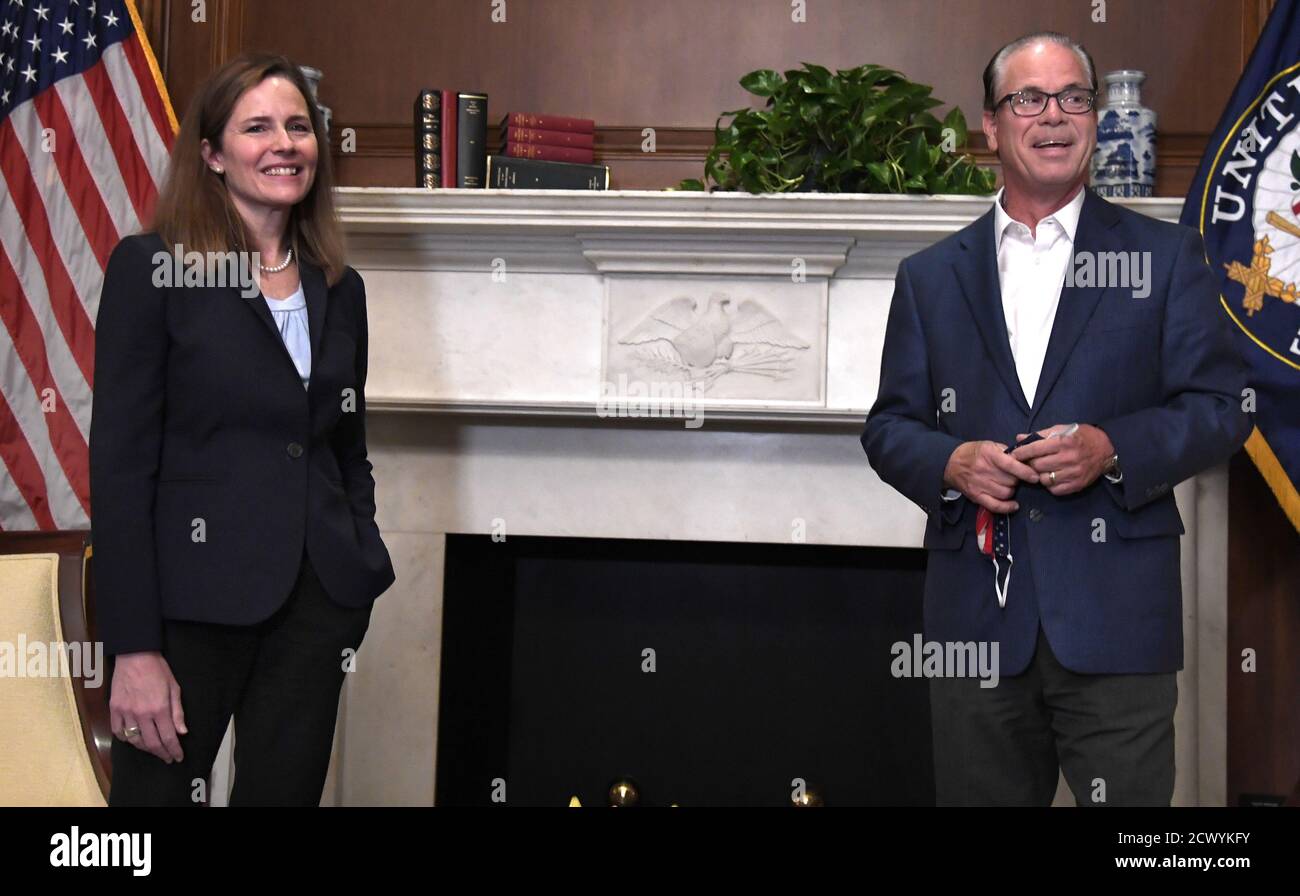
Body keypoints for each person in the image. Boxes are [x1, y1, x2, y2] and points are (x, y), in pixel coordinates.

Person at [861, 32, 1250, 806]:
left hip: (1117, 626)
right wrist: (950, 463)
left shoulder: (1167, 258)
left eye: (1074, 97)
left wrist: (1114, 447)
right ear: (991, 127)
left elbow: (1223, 408)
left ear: (1096, 120)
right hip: (976, 627)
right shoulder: (930, 279)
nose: (1054, 116)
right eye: (1028, 99)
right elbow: (889, 427)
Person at [89, 52, 395, 806]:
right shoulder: (153, 269)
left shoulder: (339, 288)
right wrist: (133, 647)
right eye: (256, 127)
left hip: (315, 607)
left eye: (297, 126)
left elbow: (344, 445)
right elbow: (121, 471)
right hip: (186, 610)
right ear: (213, 154)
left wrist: (358, 563)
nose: (283, 143)